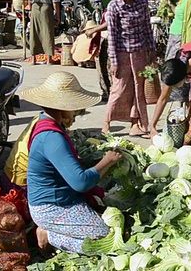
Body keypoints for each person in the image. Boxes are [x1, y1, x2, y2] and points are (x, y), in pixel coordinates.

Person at [21, 71, 123, 252]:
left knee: (104, 227)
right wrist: (108, 161)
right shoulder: (51, 137)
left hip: (59, 199)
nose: (76, 113)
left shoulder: (46, 122)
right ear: (64, 107)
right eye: (75, 107)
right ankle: (48, 234)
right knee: (105, 242)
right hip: (50, 207)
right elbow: (81, 182)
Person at [103, 0, 155, 137]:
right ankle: (106, 123)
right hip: (121, 53)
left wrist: (152, 50)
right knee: (119, 89)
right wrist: (114, 61)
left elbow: (147, 26)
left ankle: (136, 123)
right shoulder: (113, 6)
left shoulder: (142, 0)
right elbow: (112, 35)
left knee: (138, 89)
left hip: (139, 52)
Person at [84, 0, 119, 101]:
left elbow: (109, 23)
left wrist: (94, 30)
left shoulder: (119, 6)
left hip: (114, 42)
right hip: (108, 39)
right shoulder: (113, 4)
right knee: (103, 66)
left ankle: (113, 92)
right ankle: (107, 91)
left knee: (110, 68)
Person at [28, 0, 61, 64]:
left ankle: (33, 59)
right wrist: (58, 16)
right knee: (48, 32)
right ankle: (49, 59)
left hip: (34, 7)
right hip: (46, 8)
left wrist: (30, 10)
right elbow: (55, 2)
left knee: (34, 32)